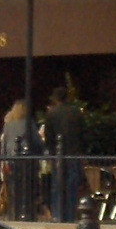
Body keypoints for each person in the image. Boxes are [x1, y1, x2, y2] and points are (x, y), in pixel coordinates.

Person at [42, 87, 84, 220]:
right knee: (72, 187)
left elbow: (48, 137)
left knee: (57, 186)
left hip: (57, 156)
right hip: (73, 153)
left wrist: (51, 153)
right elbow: (82, 134)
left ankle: (57, 215)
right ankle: (70, 215)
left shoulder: (51, 114)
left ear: (55, 98)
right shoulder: (76, 113)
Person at [0, 99, 40, 219]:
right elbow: (37, 142)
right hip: (26, 162)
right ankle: (27, 213)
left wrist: (3, 160)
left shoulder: (8, 125)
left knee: (13, 190)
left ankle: (13, 214)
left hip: (10, 161)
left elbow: (4, 144)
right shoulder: (28, 123)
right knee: (27, 190)